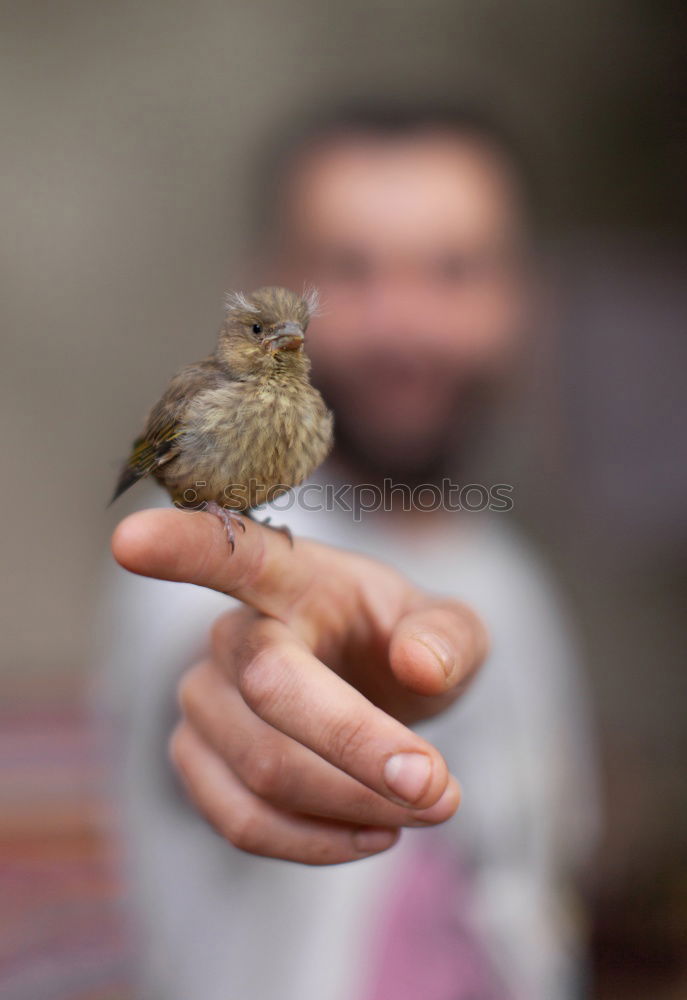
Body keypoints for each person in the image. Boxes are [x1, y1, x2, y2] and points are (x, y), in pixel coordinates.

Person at [101, 105, 598, 1000]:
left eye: (453, 270)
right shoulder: (222, 551)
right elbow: (212, 664)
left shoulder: (513, 574)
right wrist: (257, 690)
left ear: (521, 299)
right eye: (350, 271)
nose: (404, 322)